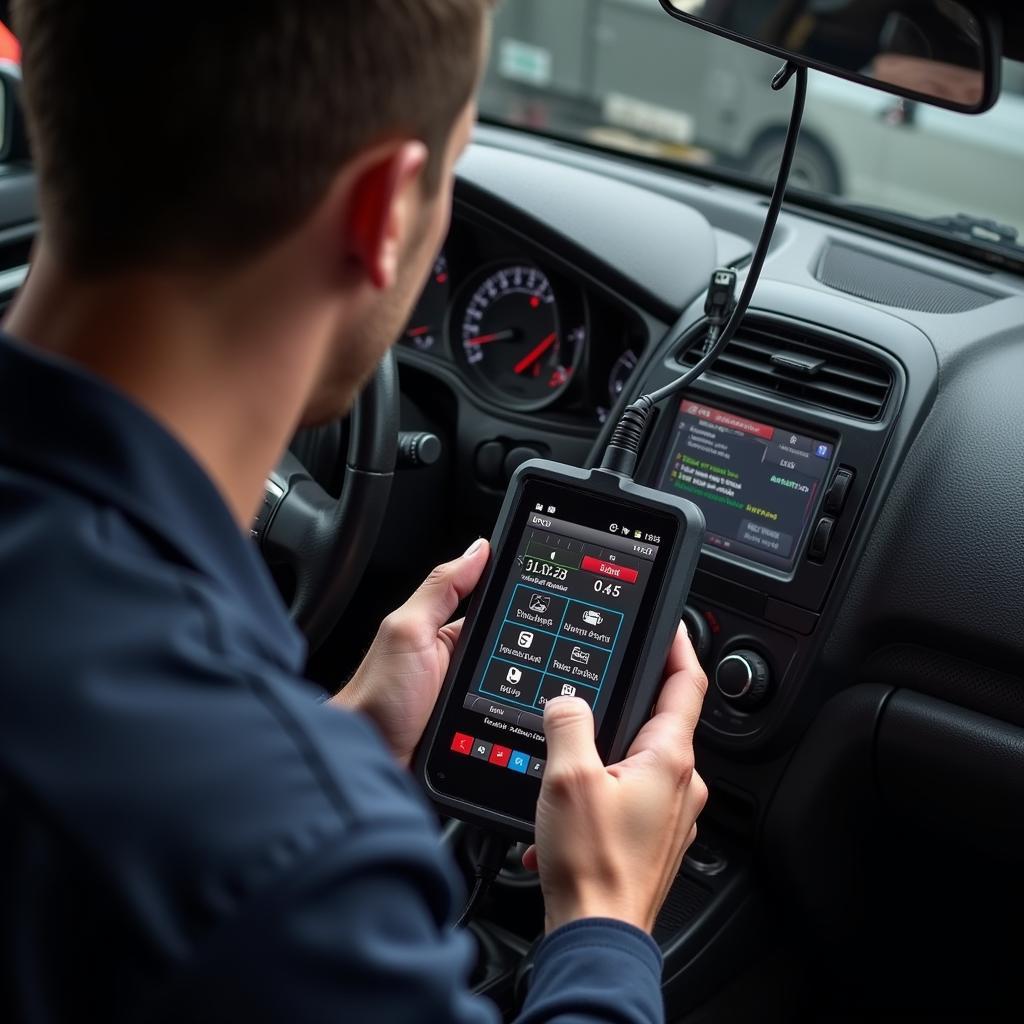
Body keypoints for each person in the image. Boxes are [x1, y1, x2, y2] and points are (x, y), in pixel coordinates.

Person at [0, 2, 709, 1022]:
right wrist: (602, 918)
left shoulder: (241, 812)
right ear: (384, 210)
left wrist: (339, 742)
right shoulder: (282, 863)